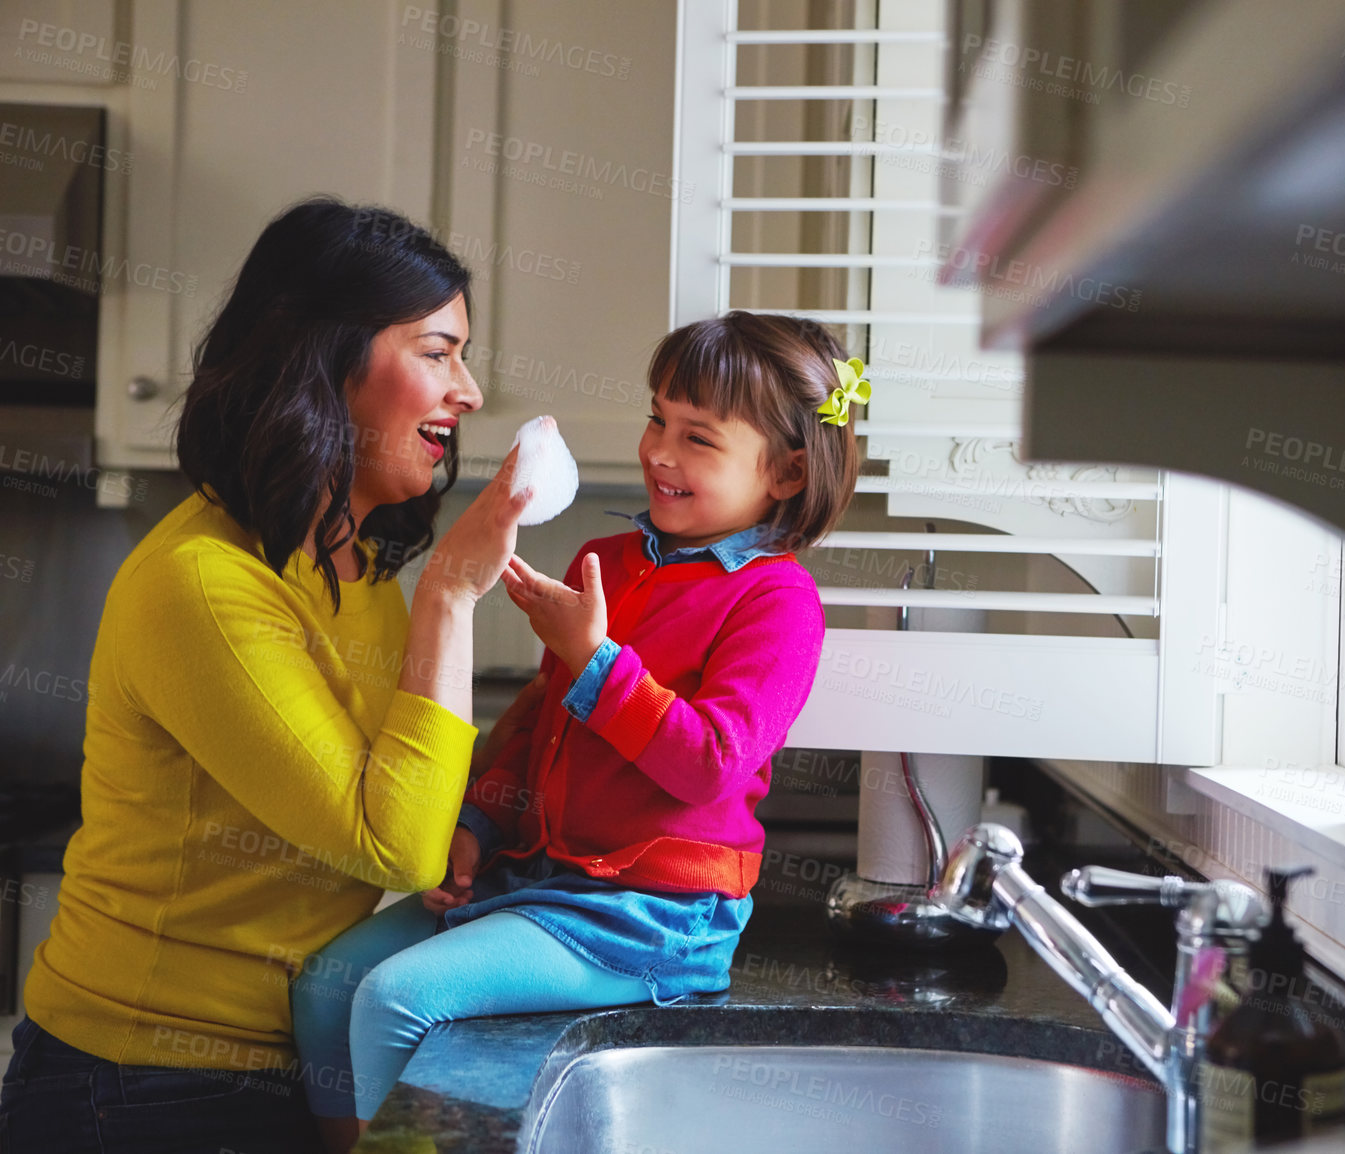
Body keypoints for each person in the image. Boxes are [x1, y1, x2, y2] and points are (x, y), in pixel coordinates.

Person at [0, 197, 539, 1154]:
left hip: (265, 1067)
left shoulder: (351, 566)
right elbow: (391, 845)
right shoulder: (207, 584)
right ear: (326, 365)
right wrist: (453, 593)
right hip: (141, 1089)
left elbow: (405, 802)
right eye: (435, 351)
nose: (470, 390)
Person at [290, 311, 863, 1144]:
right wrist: (479, 821)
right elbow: (535, 721)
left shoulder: (778, 604)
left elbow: (711, 763)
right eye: (656, 419)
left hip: (653, 915)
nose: (660, 452)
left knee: (394, 995)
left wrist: (596, 662)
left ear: (787, 472)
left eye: (698, 438)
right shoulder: (608, 560)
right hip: (541, 877)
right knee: (328, 982)